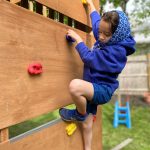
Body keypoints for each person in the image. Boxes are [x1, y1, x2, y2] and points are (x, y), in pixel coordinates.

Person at [59, 0, 136, 150]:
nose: (100, 36)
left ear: (115, 36)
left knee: (75, 86)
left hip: (102, 89)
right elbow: (96, 23)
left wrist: (78, 40)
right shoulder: (105, 35)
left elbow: (89, 58)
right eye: (100, 31)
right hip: (92, 85)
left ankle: (79, 114)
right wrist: (90, 4)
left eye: (105, 34)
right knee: (87, 125)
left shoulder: (116, 52)